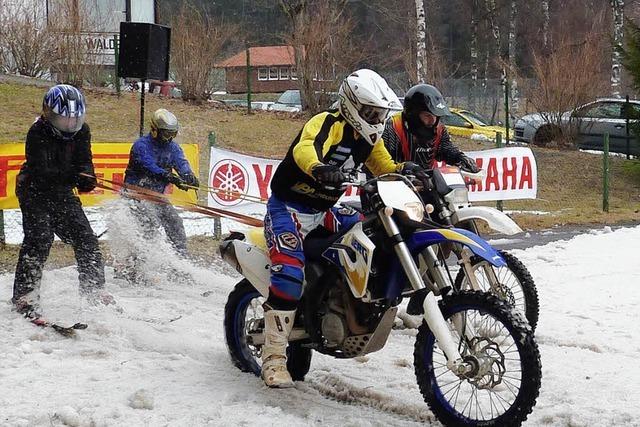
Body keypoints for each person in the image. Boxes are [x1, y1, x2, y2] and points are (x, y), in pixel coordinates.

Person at [261, 69, 425, 388]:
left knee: (372, 233)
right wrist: (320, 168)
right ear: (352, 106)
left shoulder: (369, 137)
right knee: (289, 275)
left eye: (381, 114)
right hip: (288, 209)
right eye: (372, 113)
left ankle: (349, 306)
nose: (377, 119)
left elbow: (384, 167)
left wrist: (406, 169)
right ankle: (274, 358)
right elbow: (305, 148)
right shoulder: (327, 122)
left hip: (324, 212)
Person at [13, 84, 110, 318]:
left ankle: (93, 290)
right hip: (34, 190)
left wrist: (87, 178)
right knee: (40, 237)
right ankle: (25, 294)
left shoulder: (83, 132)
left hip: (62, 192)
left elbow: (84, 161)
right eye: (63, 120)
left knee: (86, 238)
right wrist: (72, 176)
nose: (70, 125)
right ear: (48, 114)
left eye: (73, 120)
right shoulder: (37, 132)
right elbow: (42, 171)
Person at [123, 108, 199, 258]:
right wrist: (170, 177)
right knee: (147, 226)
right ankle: (136, 266)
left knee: (175, 223)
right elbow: (149, 167)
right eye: (166, 133)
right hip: (135, 196)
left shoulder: (173, 147)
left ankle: (181, 260)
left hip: (157, 197)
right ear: (154, 130)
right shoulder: (141, 146)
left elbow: (181, 163)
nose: (169, 138)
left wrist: (188, 175)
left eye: (173, 134)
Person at [383, 83, 480, 174]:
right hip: (394, 184)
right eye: (427, 115)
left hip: (426, 182)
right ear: (413, 114)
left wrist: (460, 158)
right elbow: (380, 162)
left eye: (436, 116)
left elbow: (446, 149)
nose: (433, 120)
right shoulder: (393, 127)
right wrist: (403, 168)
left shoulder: (439, 129)